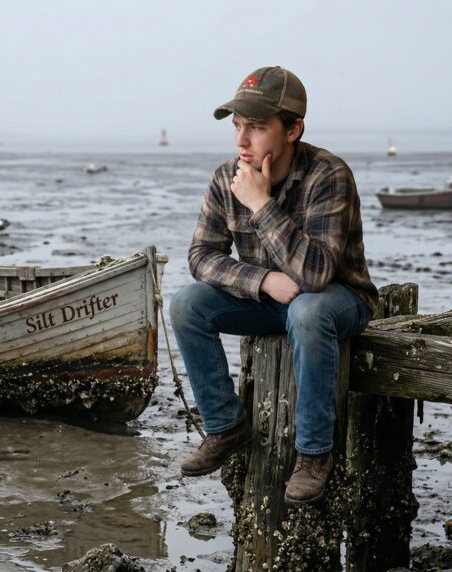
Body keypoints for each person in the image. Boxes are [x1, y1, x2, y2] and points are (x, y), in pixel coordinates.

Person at [170, 66, 378, 504]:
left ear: (293, 130)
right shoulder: (226, 177)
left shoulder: (328, 175)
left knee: (308, 311)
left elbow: (317, 275)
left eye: (257, 128)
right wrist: (262, 280)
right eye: (237, 126)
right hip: (270, 299)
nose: (241, 141)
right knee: (187, 305)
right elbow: (200, 256)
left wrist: (260, 204)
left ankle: (314, 454)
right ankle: (226, 426)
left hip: (338, 301)